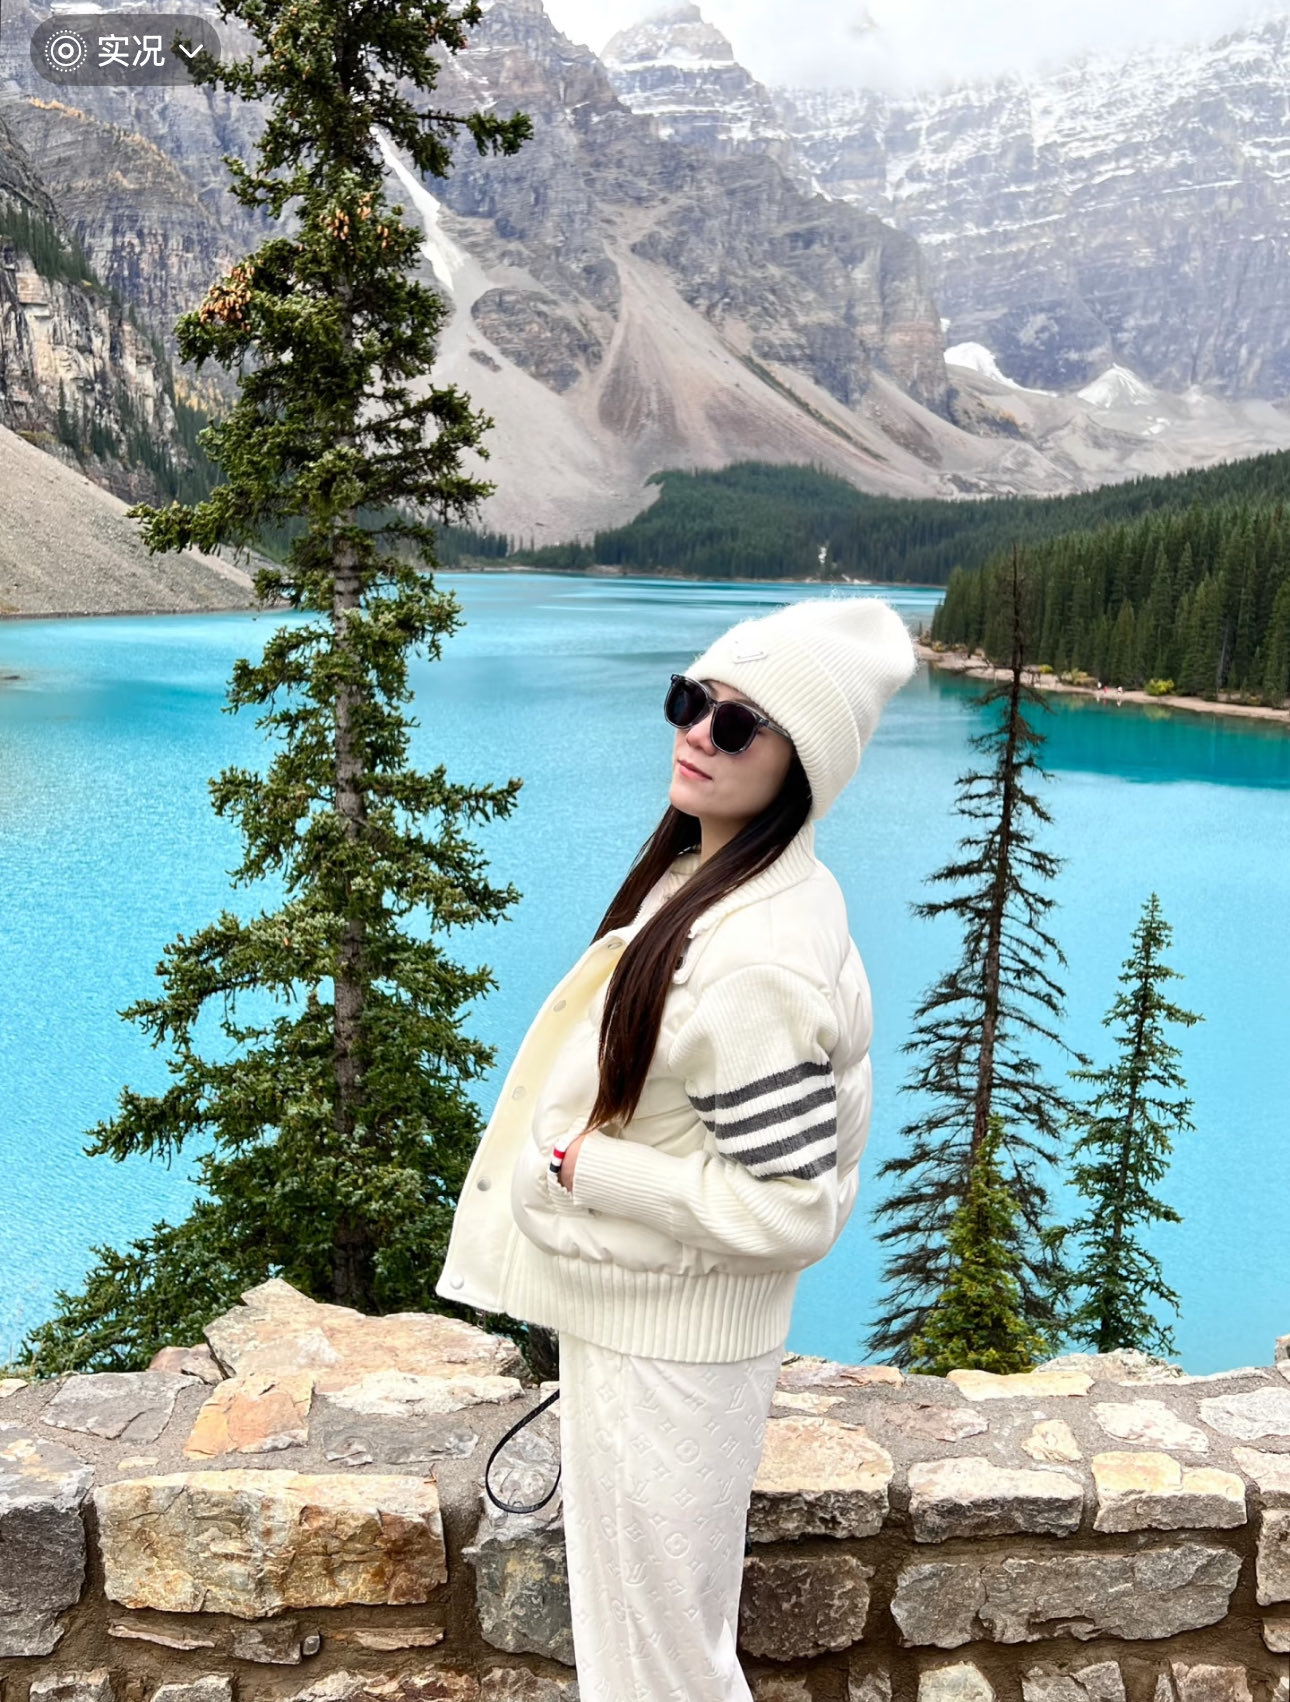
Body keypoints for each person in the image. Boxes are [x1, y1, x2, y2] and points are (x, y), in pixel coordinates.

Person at [436, 594, 917, 1702]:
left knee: (661, 1672)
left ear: (802, 765)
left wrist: (586, 1169)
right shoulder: (726, 879)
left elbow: (793, 1206)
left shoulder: (755, 958)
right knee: (648, 1660)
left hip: (671, 1357)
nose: (699, 732)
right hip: (649, 1331)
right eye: (690, 700)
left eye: (738, 724)